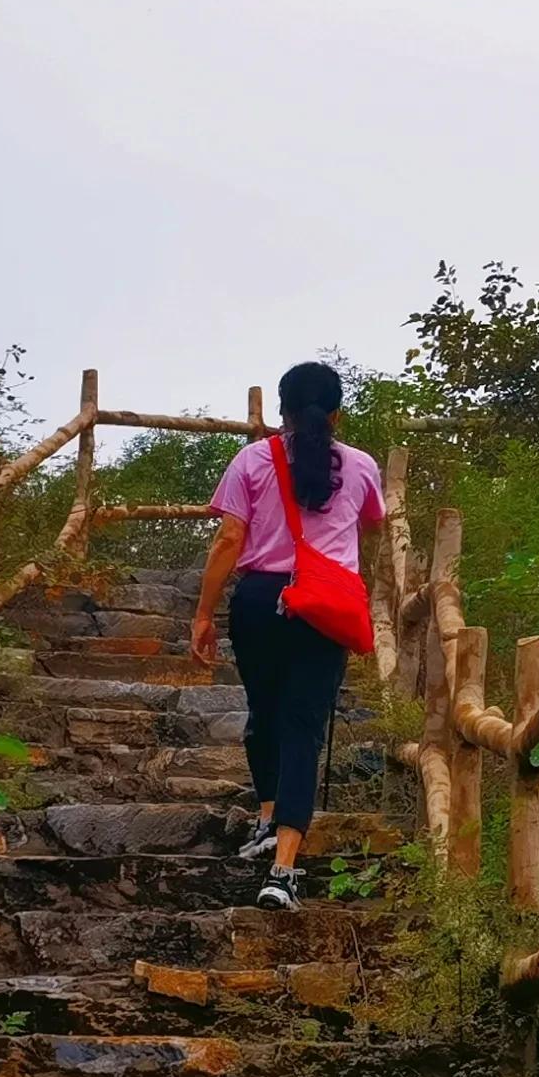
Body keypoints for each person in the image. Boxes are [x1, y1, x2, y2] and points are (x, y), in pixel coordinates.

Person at [186, 362, 386, 905]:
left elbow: (229, 539)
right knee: (301, 728)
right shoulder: (363, 466)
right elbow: (373, 521)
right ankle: (283, 868)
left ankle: (268, 818)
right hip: (323, 606)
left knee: (265, 716)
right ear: (337, 413)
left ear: (282, 412)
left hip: (258, 602)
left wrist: (203, 613)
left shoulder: (252, 459)